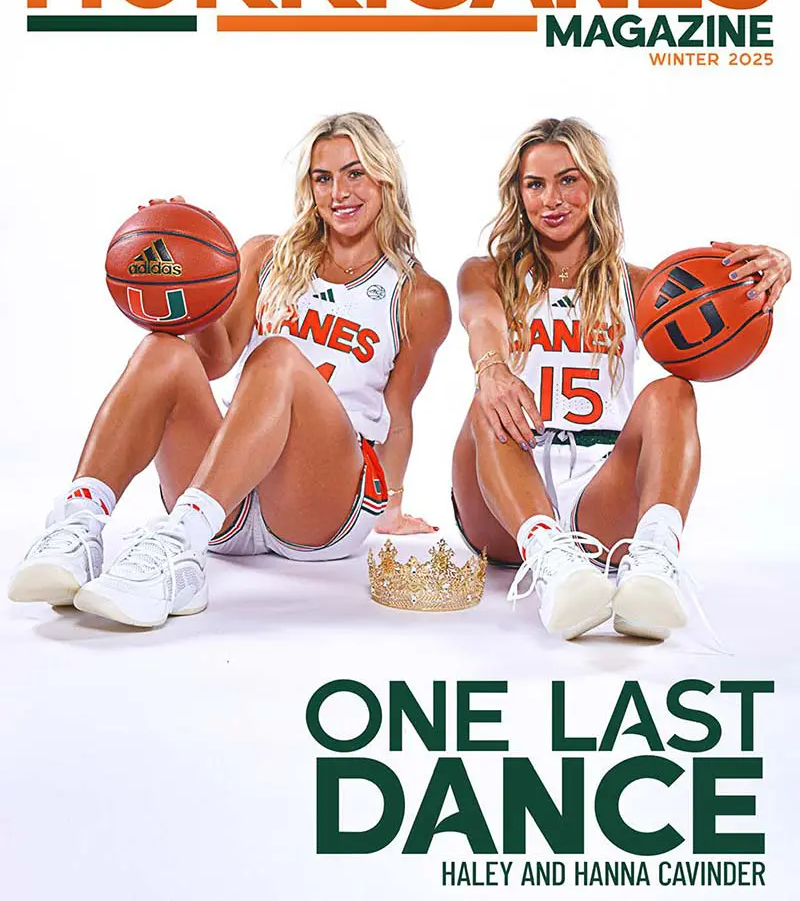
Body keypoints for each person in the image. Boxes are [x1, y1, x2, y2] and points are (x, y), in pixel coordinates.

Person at [9, 112, 451, 628]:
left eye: (355, 173)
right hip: (226, 493)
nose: (339, 192)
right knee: (162, 350)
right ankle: (80, 526)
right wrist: (178, 260)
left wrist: (393, 507)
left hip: (320, 503)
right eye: (323, 177)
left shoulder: (417, 294)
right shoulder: (267, 256)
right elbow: (214, 359)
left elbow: (396, 414)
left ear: (385, 177)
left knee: (277, 357)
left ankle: (178, 541)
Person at [452, 117, 791, 641]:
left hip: (600, 486)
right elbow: (482, 320)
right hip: (502, 486)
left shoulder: (640, 285)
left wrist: (766, 273)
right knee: (486, 398)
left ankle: (654, 563)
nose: (552, 199)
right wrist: (493, 368)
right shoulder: (486, 271)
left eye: (569, 179)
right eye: (535, 184)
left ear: (595, 183)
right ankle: (552, 565)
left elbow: (716, 324)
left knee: (673, 391)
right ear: (518, 194)